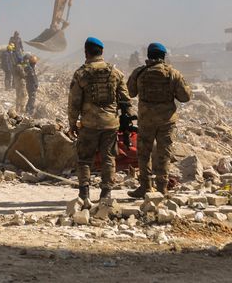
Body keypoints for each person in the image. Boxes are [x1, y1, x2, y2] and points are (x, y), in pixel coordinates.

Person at [67, 37, 131, 202]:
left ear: (86, 52)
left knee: (84, 159)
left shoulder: (81, 73)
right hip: (110, 124)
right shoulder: (115, 73)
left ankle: (84, 193)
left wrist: (72, 124)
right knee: (108, 158)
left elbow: (74, 102)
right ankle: (106, 193)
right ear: (102, 52)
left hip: (89, 124)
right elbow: (125, 100)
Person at [126, 42, 191, 197]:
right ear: (164, 56)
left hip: (146, 120)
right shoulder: (173, 73)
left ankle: (145, 187)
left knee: (144, 153)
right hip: (166, 121)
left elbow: (130, 92)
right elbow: (185, 97)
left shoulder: (139, 72)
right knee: (163, 153)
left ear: (148, 55)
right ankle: (162, 188)